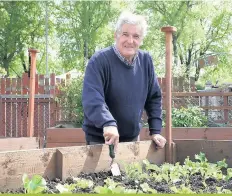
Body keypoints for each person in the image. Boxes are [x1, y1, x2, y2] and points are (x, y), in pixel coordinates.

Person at [81, 11, 166, 152]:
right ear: (116, 35)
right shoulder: (99, 61)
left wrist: (155, 130)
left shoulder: (146, 61)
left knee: (131, 174)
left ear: (141, 40)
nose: (130, 41)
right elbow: (92, 98)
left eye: (136, 36)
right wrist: (107, 123)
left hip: (131, 139)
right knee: (99, 174)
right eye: (125, 34)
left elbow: (154, 98)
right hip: (100, 139)